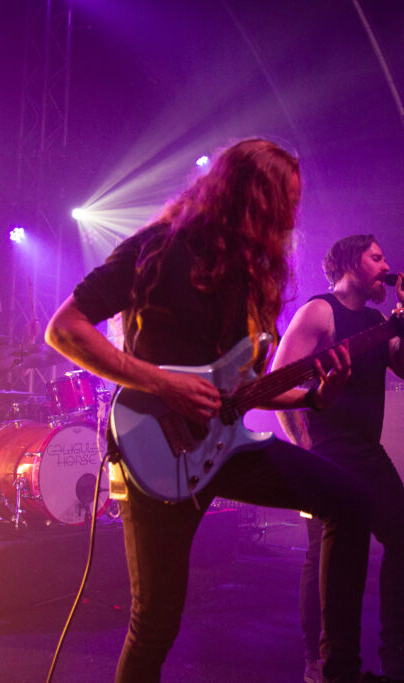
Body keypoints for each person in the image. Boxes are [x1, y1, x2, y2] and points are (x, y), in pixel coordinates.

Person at [45, 139, 380, 683]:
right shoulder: (157, 248)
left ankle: (336, 670)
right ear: (245, 195)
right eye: (280, 200)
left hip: (225, 445)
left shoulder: (255, 274)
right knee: (154, 622)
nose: (288, 216)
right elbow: (64, 328)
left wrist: (313, 396)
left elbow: (245, 387)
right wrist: (162, 382)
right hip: (152, 443)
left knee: (351, 501)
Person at [272, 234, 404, 682]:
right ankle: (319, 662)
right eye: (377, 257)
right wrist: (304, 446)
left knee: (403, 539)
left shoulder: (376, 319)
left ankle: (395, 651)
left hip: (367, 451)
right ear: (351, 262)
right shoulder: (319, 312)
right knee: (324, 557)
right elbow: (278, 383)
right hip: (326, 454)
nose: (386, 265)